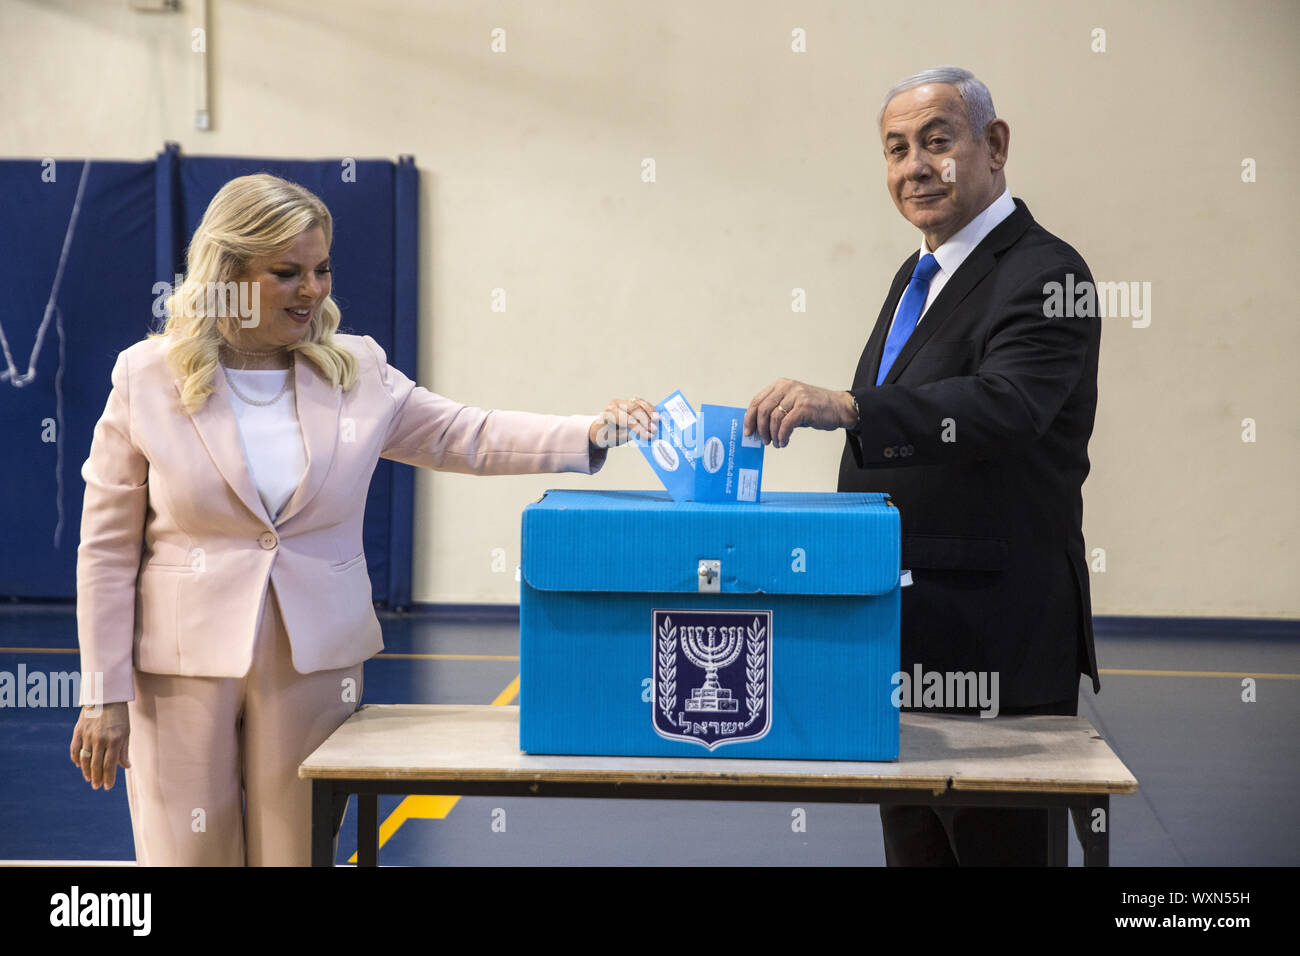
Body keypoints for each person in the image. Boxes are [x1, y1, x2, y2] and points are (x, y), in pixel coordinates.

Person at [68, 173, 657, 866]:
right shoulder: (145, 377)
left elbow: (467, 434)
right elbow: (105, 550)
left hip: (315, 659)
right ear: (226, 274)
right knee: (187, 857)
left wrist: (591, 432)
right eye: (286, 273)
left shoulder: (357, 369)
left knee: (298, 853)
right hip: (176, 670)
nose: (313, 291)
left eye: (321, 269)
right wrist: (103, 694)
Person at [745, 66, 1101, 865]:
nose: (913, 166)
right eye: (896, 148)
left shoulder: (1050, 273)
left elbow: (1007, 407)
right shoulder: (917, 275)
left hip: (994, 639)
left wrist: (852, 406)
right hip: (901, 634)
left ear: (995, 145)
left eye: (937, 142)